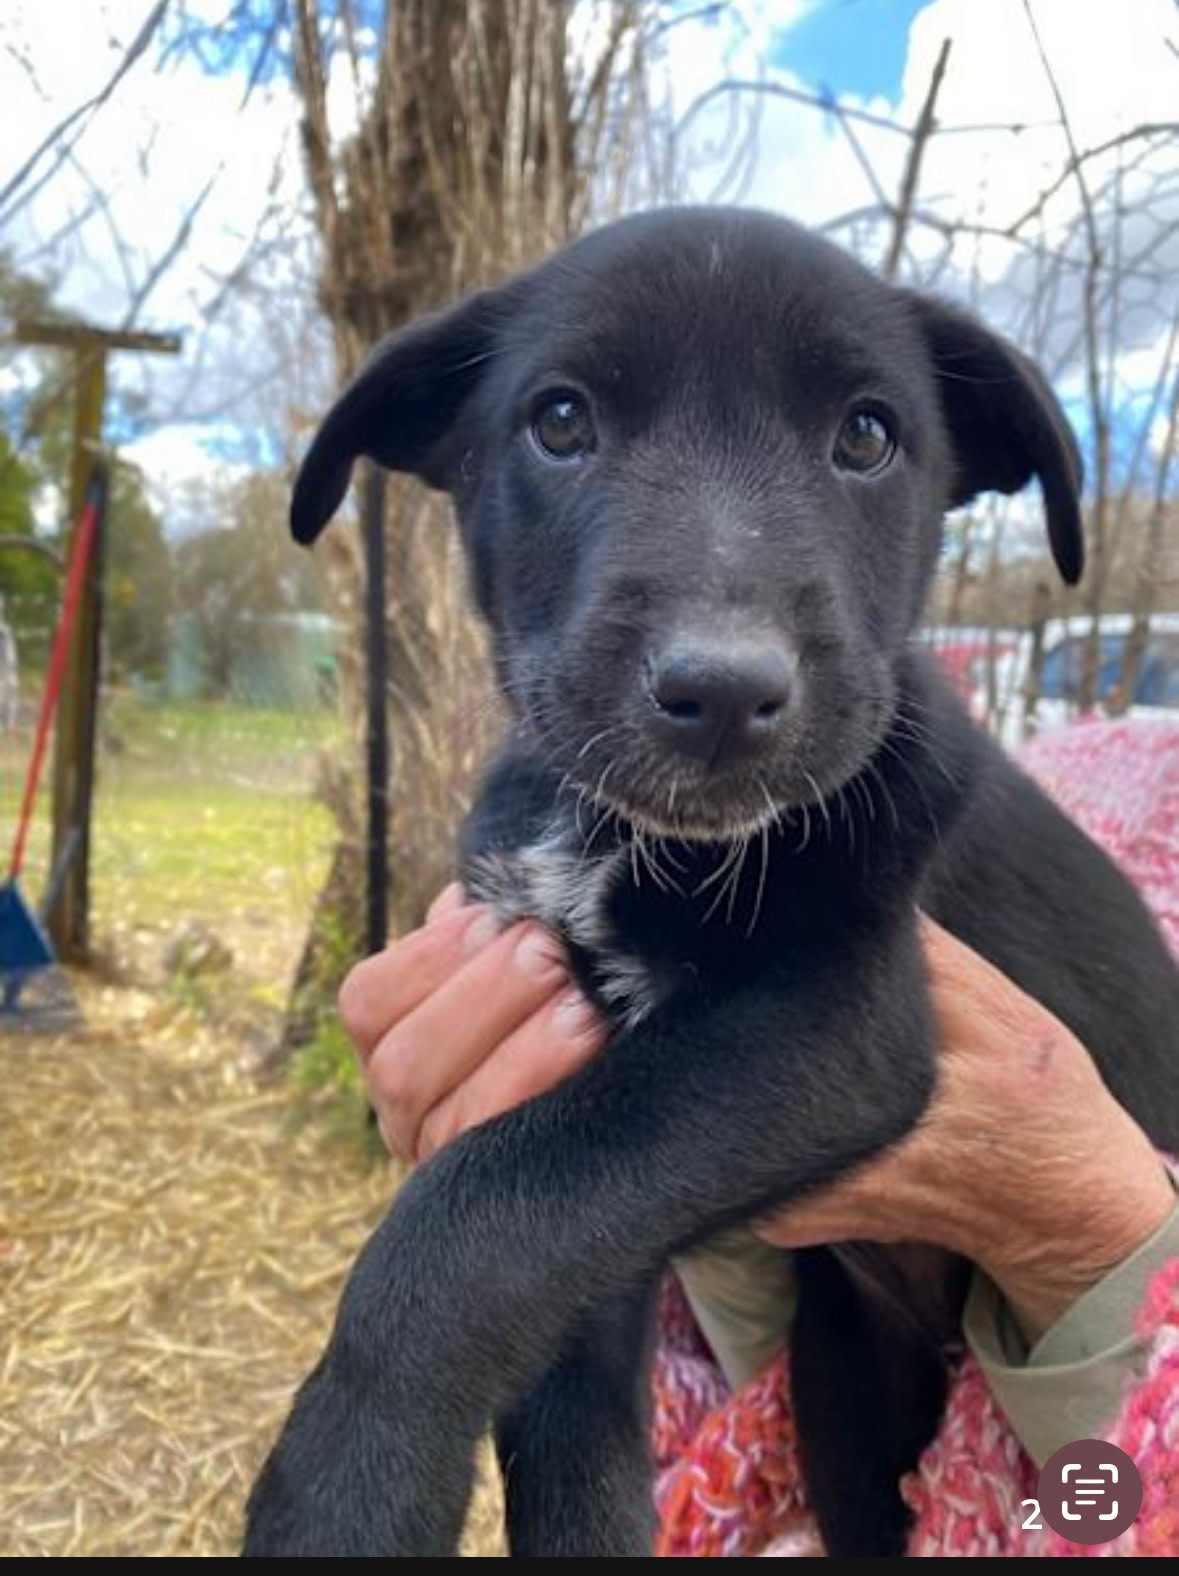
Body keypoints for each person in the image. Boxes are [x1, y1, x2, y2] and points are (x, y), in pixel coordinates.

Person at [339, 887, 1178, 1480]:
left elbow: (1100, 1510)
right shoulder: (1078, 762)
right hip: (828, 1415)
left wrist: (1082, 1238)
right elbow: (736, 1407)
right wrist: (636, 1156)